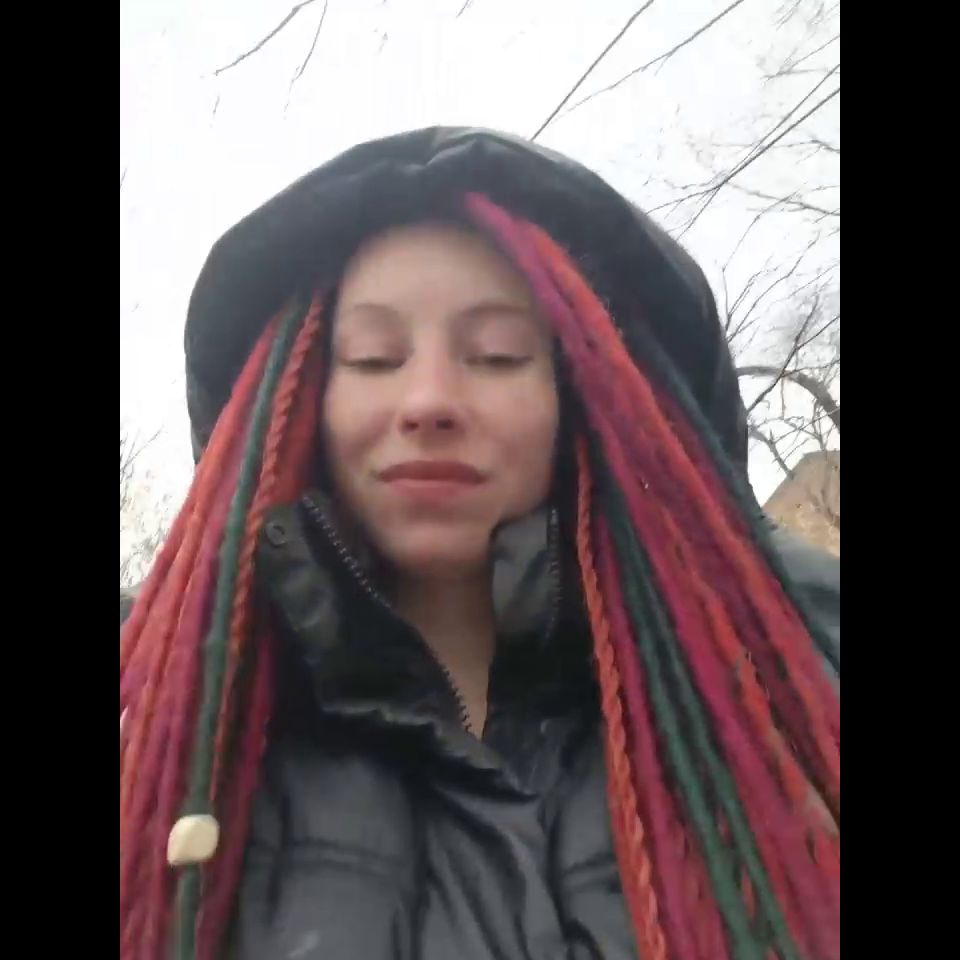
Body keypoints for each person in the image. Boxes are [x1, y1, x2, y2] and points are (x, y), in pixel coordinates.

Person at [119, 127, 840, 960]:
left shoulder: (804, 654)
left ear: (586, 390)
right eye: (374, 357)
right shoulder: (146, 701)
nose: (428, 400)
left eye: (496, 356)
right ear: (301, 394)